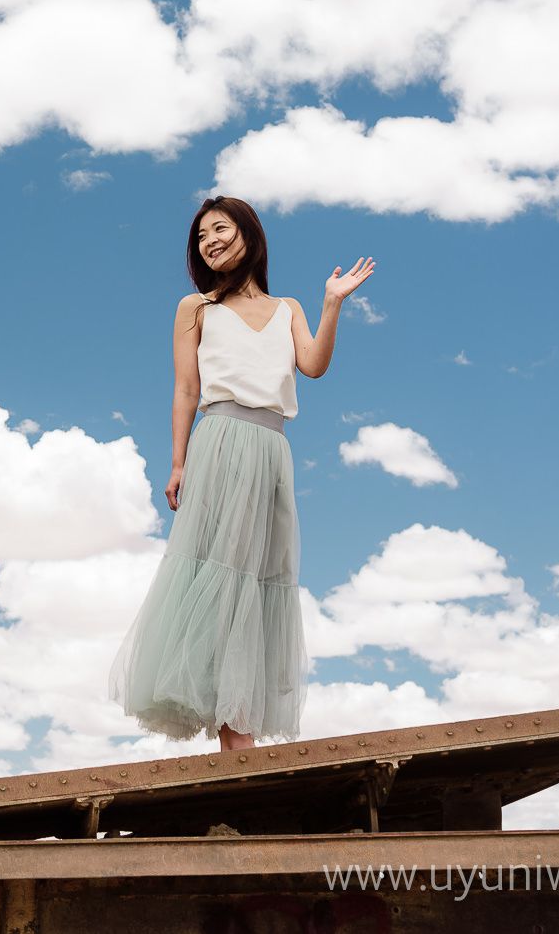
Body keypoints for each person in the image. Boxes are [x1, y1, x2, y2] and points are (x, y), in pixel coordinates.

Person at [109, 195, 373, 751]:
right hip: (220, 441)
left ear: (249, 233)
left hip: (272, 450)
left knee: (257, 580)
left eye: (220, 229)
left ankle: (240, 739)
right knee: (218, 574)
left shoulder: (290, 308)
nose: (210, 241)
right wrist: (179, 461)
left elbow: (314, 366)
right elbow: (186, 389)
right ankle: (231, 743)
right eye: (201, 236)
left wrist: (332, 304)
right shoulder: (195, 309)